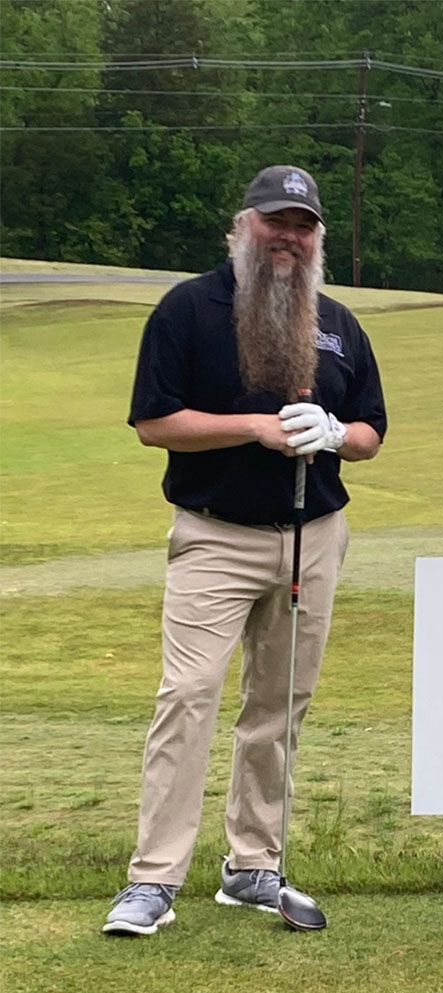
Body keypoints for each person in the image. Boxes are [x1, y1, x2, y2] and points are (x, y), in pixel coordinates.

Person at [103, 165, 387, 935]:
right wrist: (254, 428)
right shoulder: (190, 308)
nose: (288, 237)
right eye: (275, 222)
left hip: (313, 537)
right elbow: (154, 421)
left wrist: (335, 434)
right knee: (188, 697)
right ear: (244, 226)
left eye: (302, 225)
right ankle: (154, 879)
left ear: (317, 237)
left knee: (278, 705)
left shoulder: (336, 322)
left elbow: (370, 431)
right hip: (215, 534)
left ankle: (252, 865)